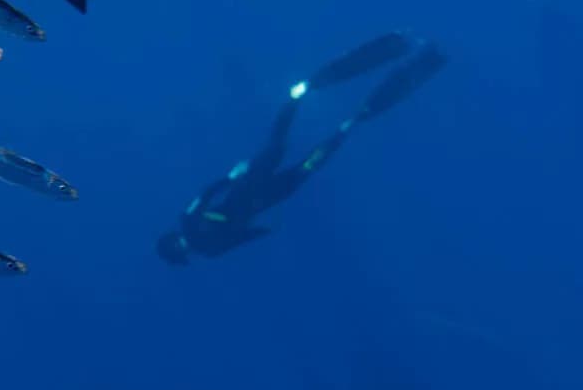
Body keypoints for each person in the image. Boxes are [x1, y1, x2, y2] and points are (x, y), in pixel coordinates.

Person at [157, 32, 447, 265]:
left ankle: (336, 117)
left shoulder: (202, 239)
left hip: (258, 195)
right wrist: (236, 182)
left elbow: (235, 225)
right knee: (285, 148)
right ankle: (304, 97)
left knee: (299, 158)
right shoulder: (197, 231)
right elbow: (221, 211)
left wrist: (259, 218)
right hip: (254, 191)